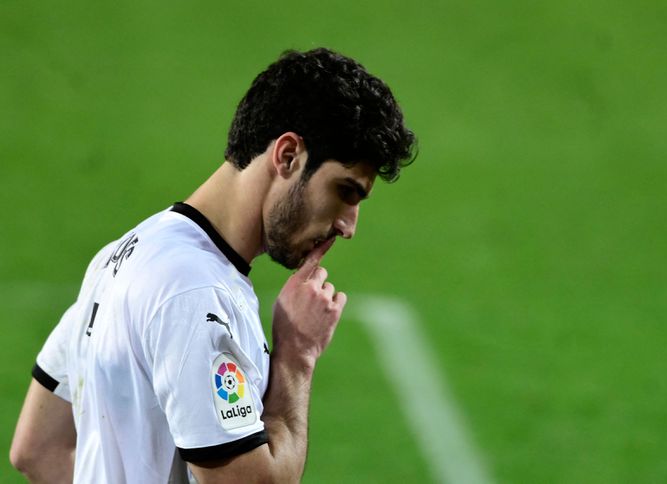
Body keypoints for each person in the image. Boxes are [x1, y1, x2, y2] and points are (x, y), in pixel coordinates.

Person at [10, 47, 416, 483]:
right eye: (346, 191)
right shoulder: (195, 292)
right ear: (287, 156)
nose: (348, 225)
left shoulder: (122, 253)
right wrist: (298, 354)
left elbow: (38, 448)